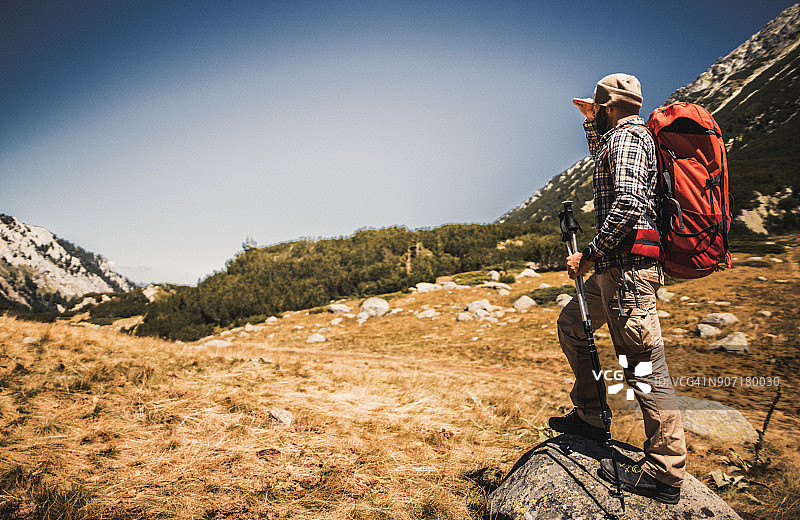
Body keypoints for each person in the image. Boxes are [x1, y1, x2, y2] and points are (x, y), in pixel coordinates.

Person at [549, 73, 686, 505]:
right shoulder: (620, 138)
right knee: (573, 323)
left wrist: (588, 253)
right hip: (613, 271)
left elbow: (626, 201)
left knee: (643, 370)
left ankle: (667, 473)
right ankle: (592, 416)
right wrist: (592, 120)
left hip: (625, 272)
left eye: (598, 109)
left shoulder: (627, 140)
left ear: (609, 106)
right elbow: (603, 164)